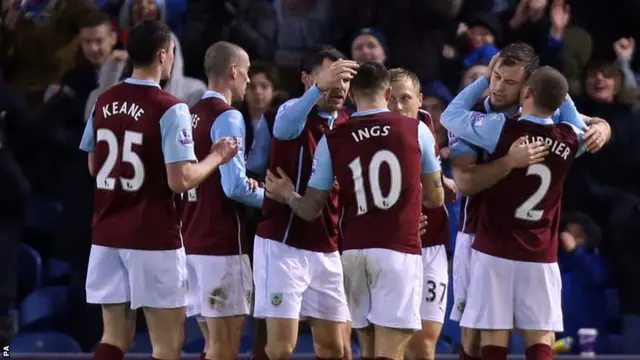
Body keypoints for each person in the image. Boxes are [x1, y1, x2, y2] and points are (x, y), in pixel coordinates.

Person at [78, 20, 237, 360]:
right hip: (152, 236)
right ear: (163, 54)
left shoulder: (103, 100)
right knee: (168, 344)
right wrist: (216, 156)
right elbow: (180, 180)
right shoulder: (170, 107)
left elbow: (94, 167)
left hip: (106, 234)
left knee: (113, 337)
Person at [265, 61, 444, 360]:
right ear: (388, 94)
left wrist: (287, 195)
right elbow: (436, 198)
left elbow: (310, 208)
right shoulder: (417, 130)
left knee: (369, 349)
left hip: (353, 253)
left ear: (351, 97)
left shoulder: (333, 137)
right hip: (399, 250)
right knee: (391, 351)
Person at [445, 42, 611, 360]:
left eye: (509, 81)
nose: (497, 86)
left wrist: (603, 126)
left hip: (493, 245)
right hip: (523, 245)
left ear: (526, 89)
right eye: (495, 77)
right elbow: (465, 183)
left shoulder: (497, 128)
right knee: (520, 337)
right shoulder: (568, 135)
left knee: (492, 334)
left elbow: (451, 115)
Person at [252, 47, 358, 360]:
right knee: (281, 347)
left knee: (334, 348)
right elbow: (284, 129)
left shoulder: (349, 124)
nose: (339, 87)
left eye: (345, 80)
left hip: (327, 247)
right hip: (283, 244)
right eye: (331, 78)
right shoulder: (289, 113)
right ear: (307, 79)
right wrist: (318, 88)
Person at [181, 41, 263, 360]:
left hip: (192, 241)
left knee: (211, 346)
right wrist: (276, 199)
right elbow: (235, 187)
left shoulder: (191, 115)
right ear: (232, 71)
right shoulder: (227, 116)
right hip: (221, 245)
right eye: (246, 73)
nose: (248, 80)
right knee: (225, 350)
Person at [387, 68, 452, 360]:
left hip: (432, 244)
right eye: (391, 98)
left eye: (405, 98)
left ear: (420, 100)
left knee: (425, 342)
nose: (398, 106)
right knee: (391, 341)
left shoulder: (427, 127)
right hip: (388, 246)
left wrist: (447, 183)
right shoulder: (367, 134)